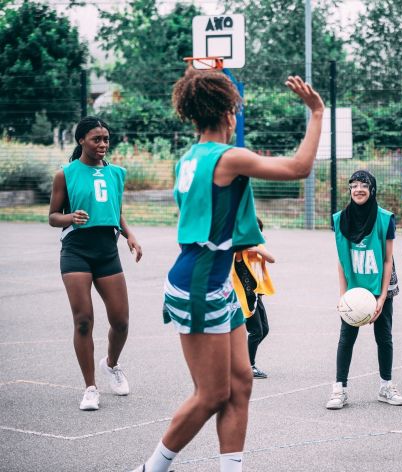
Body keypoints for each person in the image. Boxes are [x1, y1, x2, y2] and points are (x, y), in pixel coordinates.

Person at [131, 69, 323, 472]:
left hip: (215, 280)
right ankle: (152, 468)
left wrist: (246, 244)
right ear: (227, 114)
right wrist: (317, 113)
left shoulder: (188, 159)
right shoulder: (228, 157)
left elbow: (206, 220)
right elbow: (299, 168)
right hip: (199, 284)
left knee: (241, 383)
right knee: (212, 393)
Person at [48, 116, 143, 411]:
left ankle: (111, 364)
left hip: (107, 251)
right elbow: (52, 217)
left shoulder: (117, 173)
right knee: (84, 320)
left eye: (105, 139)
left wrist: (130, 236)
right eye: (96, 139)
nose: (102, 144)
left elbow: (116, 209)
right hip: (76, 251)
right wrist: (70, 217)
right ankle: (90, 388)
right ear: (81, 141)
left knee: (121, 322)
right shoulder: (66, 174)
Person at [326, 169, 402, 410]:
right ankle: (339, 389)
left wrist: (382, 296)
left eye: (364, 185)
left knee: (384, 337)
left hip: (381, 283)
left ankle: (386, 386)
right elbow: (341, 259)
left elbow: (388, 261)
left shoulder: (385, 218)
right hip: (354, 288)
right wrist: (343, 296)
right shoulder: (340, 219)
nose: (358, 189)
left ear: (372, 190)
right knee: (346, 338)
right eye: (354, 185)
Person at [231, 217, 276, 379]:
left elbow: (272, 259)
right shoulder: (239, 251)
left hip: (257, 295)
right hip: (246, 297)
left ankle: (239, 360)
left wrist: (257, 248)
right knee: (256, 331)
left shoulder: (258, 248)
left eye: (257, 230)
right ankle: (247, 366)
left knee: (264, 330)